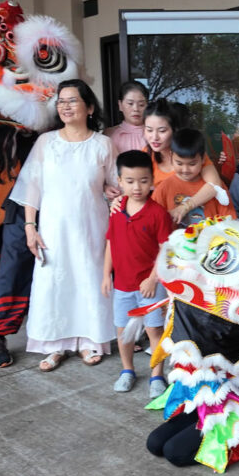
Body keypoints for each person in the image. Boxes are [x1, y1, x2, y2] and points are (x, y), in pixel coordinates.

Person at [9, 78, 120, 371]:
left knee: (87, 279)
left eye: (72, 100)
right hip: (53, 229)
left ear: (90, 108)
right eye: (61, 101)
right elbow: (32, 188)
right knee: (54, 283)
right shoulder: (46, 142)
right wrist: (30, 227)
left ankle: (89, 341)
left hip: (91, 227)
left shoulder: (104, 145)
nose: (65, 106)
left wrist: (111, 191)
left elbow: (116, 186)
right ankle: (55, 345)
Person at [103, 150, 175, 397]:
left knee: (154, 331)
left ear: (152, 180)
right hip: (122, 285)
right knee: (123, 331)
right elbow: (110, 243)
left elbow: (166, 250)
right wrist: (105, 276)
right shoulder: (116, 210)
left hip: (150, 286)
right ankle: (127, 370)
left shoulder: (157, 214)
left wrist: (153, 279)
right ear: (120, 181)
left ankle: (157, 376)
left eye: (143, 181)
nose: (137, 187)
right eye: (130, 181)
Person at [141, 99, 226, 224]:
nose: (154, 137)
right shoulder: (146, 155)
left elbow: (215, 186)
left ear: (174, 130)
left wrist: (184, 207)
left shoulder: (192, 153)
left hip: (198, 222)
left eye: (162, 131)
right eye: (149, 130)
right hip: (165, 223)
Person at [151, 128, 236, 226]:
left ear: (203, 158)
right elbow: (152, 222)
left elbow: (230, 224)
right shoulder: (163, 189)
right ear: (171, 157)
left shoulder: (217, 189)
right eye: (179, 163)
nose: (185, 169)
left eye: (192, 164)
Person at [103, 80, 149, 154]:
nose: (136, 109)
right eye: (130, 103)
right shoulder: (110, 134)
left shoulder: (153, 134)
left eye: (141, 105)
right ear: (120, 105)